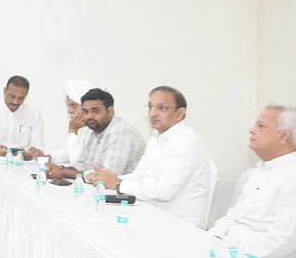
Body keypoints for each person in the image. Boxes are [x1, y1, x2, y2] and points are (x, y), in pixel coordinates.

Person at [209, 105, 296, 258]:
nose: (252, 130)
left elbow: (283, 241)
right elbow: (234, 216)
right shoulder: (259, 171)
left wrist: (231, 248)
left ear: (283, 136)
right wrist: (211, 238)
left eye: (260, 126)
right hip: (239, 256)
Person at [88, 86, 212, 228]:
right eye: (150, 107)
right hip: (153, 214)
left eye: (162, 108)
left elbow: (165, 192)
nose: (152, 113)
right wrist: (105, 178)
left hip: (179, 225)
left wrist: (118, 184)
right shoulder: (156, 138)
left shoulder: (187, 142)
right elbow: (139, 175)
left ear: (180, 113)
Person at [45, 88, 146, 180]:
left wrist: (66, 173)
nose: (89, 116)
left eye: (95, 111)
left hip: (127, 192)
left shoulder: (122, 132)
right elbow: (81, 164)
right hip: (100, 189)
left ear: (110, 111)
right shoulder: (90, 129)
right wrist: (61, 168)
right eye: (85, 112)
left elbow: (108, 175)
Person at [0, 75, 44, 159]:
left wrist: (29, 154)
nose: (15, 101)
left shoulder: (34, 115)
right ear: (4, 91)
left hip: (23, 163)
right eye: (12, 96)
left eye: (21, 98)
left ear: (26, 95)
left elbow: (37, 147)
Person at [49, 79, 95, 164]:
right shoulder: (82, 126)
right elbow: (68, 151)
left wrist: (73, 131)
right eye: (68, 106)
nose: (69, 111)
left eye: (74, 106)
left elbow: (78, 161)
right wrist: (49, 157)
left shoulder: (96, 128)